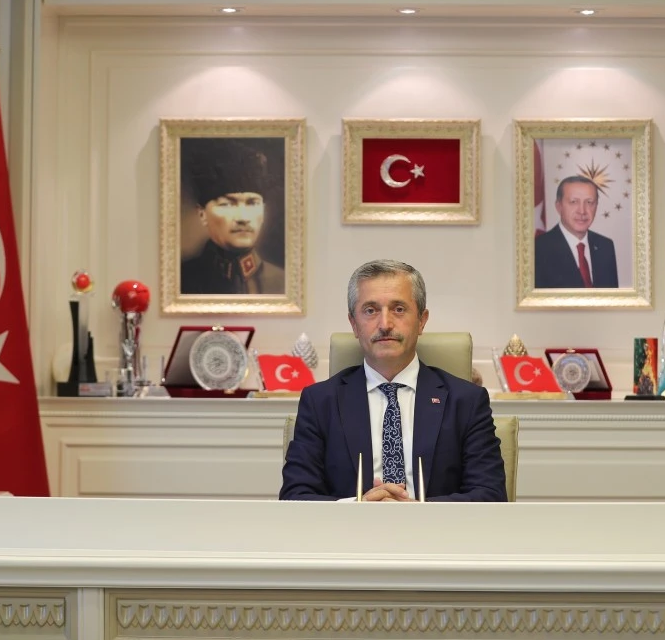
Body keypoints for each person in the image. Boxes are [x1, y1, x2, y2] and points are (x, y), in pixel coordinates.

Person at [280, 260, 506, 502]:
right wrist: (358, 506)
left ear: (421, 320)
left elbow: (490, 496)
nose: (385, 324)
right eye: (370, 310)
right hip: (350, 526)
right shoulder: (320, 402)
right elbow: (295, 496)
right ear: (354, 324)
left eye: (398, 309)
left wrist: (417, 512)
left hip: (435, 527)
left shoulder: (466, 401)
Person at [180, 138, 285, 295]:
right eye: (227, 204)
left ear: (263, 211)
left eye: (252, 203)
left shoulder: (283, 283)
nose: (243, 217)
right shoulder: (180, 281)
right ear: (202, 214)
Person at [534, 175, 619, 289]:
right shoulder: (538, 249)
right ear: (559, 206)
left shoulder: (605, 246)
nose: (582, 211)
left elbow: (612, 298)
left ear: (596, 206)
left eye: (589, 202)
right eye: (573, 202)